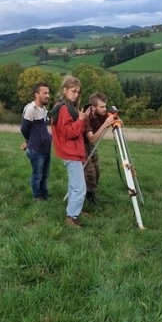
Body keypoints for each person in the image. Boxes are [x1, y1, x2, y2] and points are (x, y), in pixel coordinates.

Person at [50, 75, 89, 228]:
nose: (76, 94)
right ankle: (71, 217)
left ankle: (75, 210)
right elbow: (68, 133)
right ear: (65, 90)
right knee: (80, 187)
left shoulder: (65, 106)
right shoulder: (64, 109)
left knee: (74, 184)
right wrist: (80, 120)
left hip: (70, 151)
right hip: (70, 152)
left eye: (78, 92)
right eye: (73, 91)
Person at [20, 82, 52, 201]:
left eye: (48, 93)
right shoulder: (30, 109)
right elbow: (24, 128)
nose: (48, 95)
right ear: (37, 94)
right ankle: (37, 196)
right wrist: (29, 141)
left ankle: (44, 193)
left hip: (45, 148)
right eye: (45, 93)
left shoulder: (43, 109)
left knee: (44, 174)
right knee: (37, 175)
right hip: (36, 149)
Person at [83, 92, 115, 205]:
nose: (104, 109)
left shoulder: (102, 114)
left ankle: (91, 192)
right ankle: (89, 196)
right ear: (93, 107)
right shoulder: (85, 117)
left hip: (90, 145)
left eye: (105, 106)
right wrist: (105, 124)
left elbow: (112, 119)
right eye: (101, 107)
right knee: (90, 172)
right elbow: (92, 138)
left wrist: (116, 119)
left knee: (96, 170)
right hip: (81, 145)